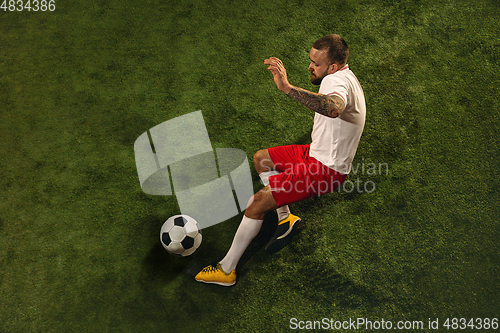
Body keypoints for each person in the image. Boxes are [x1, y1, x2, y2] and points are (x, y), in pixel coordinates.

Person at [193, 34, 366, 286]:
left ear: (332, 67)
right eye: (311, 60)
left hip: (326, 170)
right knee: (262, 159)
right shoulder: (344, 76)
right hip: (315, 152)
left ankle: (226, 270)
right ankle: (286, 218)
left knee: (257, 203)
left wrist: (287, 87)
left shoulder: (335, 82)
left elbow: (334, 107)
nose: (309, 67)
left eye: (315, 64)